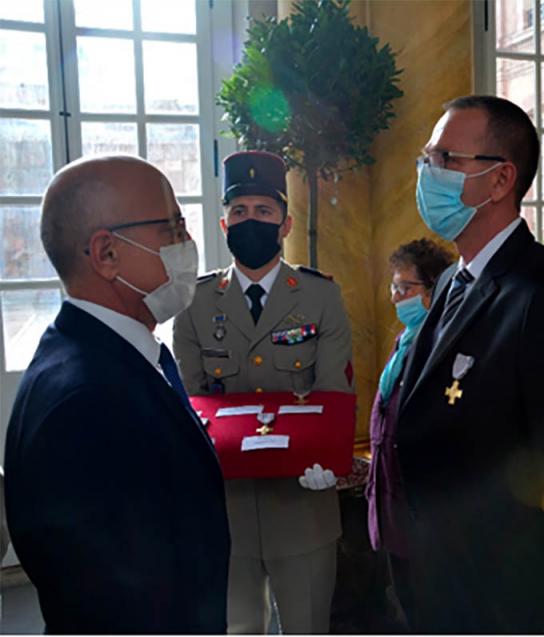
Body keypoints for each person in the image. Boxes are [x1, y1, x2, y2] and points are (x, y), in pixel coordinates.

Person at [395, 95, 544, 633]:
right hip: (444, 583)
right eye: (428, 157)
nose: (430, 172)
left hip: (507, 601)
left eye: (448, 159)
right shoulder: (454, 278)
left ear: (501, 181)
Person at [4, 155, 230, 634]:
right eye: (172, 227)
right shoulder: (86, 402)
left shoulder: (117, 353)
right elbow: (119, 603)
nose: (188, 244)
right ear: (106, 253)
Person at [173, 150, 354, 634]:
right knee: (235, 630)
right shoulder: (194, 302)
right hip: (224, 509)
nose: (250, 221)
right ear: (223, 222)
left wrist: (329, 459)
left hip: (302, 506)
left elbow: (332, 388)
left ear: (286, 224)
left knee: (307, 627)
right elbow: (189, 402)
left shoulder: (321, 296)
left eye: (264, 212)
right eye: (240, 212)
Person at [365, 238, 452, 624]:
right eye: (394, 287)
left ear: (432, 292)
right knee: (408, 604)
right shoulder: (405, 341)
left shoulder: (441, 345)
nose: (397, 297)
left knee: (432, 610)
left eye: (407, 288)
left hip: (426, 514)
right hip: (393, 504)